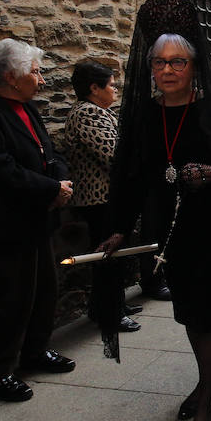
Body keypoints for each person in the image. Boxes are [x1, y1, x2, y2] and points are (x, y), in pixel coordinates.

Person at [100, 0, 211, 421]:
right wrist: (117, 230)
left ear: (194, 65)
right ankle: (207, 379)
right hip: (170, 235)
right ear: (149, 67)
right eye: (159, 62)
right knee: (191, 314)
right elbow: (130, 177)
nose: (168, 70)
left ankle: (205, 405)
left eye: (178, 61)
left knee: (208, 313)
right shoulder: (145, 117)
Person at [0, 39, 75, 404]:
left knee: (44, 290)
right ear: (10, 76)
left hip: (38, 216)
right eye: (35, 72)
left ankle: (36, 351)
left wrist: (59, 182)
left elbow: (49, 152)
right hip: (6, 223)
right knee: (14, 297)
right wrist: (50, 187)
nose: (41, 80)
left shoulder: (26, 107)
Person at [62, 61, 143, 349]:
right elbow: (114, 156)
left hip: (108, 198)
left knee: (113, 256)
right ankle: (109, 313)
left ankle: (110, 306)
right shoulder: (88, 113)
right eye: (110, 84)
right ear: (94, 88)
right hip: (99, 199)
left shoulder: (101, 112)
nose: (115, 89)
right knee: (107, 255)